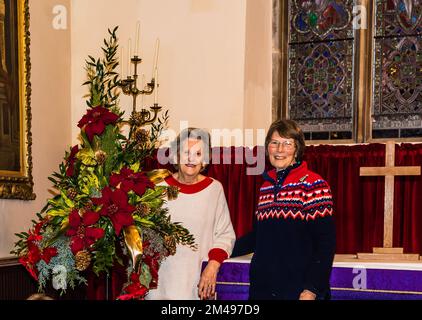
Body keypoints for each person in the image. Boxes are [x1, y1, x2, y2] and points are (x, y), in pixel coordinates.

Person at [231, 119, 336, 300]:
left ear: (297, 149)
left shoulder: (314, 185)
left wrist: (311, 289)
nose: (280, 150)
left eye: (287, 143)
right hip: (263, 288)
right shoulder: (265, 187)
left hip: (299, 291)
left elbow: (325, 244)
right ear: (267, 148)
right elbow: (258, 238)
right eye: (274, 143)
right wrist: (221, 247)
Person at [146, 127, 236, 300]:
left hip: (199, 283)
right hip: (161, 285)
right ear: (176, 156)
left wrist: (212, 266)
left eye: (198, 153)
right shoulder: (157, 188)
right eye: (186, 152)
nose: (191, 159)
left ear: (205, 160)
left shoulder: (214, 189)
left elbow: (225, 235)